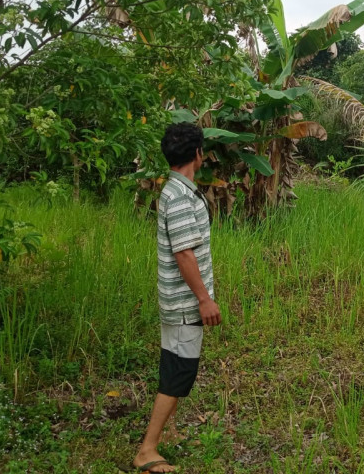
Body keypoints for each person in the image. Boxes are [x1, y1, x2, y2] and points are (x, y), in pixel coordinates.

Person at [131, 122, 221, 473]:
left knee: (177, 364)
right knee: (178, 373)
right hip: (185, 304)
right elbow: (184, 254)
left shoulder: (175, 190)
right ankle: (147, 450)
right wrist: (204, 299)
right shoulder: (180, 196)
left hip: (177, 301)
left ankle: (164, 435)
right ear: (198, 154)